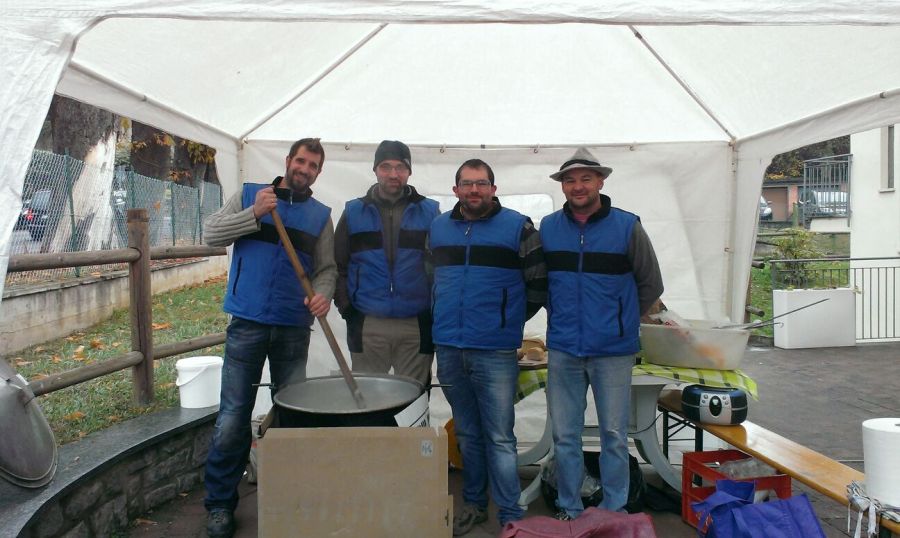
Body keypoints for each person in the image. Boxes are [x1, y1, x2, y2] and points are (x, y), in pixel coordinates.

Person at [201, 138, 336, 538]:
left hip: (293, 326)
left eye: (313, 165)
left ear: (318, 172)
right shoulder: (250, 195)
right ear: (288, 161)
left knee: (292, 414)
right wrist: (253, 214)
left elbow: (327, 269)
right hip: (247, 323)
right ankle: (220, 505)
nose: (305, 169)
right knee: (232, 418)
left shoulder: (320, 216)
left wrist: (323, 294)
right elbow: (211, 234)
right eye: (301, 161)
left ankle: (292, 497)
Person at [540, 147, 663, 520]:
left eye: (585, 178)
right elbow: (541, 282)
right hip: (564, 348)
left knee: (613, 434)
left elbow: (650, 283)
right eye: (570, 180)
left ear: (601, 182)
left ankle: (614, 508)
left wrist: (620, 320)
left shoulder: (627, 226)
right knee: (565, 435)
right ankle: (570, 507)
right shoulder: (548, 227)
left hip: (613, 350)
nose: (578, 186)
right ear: (563, 186)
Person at [430, 159, 547, 535]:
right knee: (467, 433)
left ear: (494, 189)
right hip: (449, 345)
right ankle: (475, 505)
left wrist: (506, 320)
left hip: (494, 350)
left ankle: (511, 516)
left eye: (481, 183)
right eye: (467, 184)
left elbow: (538, 284)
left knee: (499, 436)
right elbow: (431, 279)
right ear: (456, 190)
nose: (474, 190)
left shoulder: (518, 227)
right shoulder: (438, 228)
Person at [333, 140, 440, 386]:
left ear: (409, 171)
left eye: (400, 167)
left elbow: (440, 268)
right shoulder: (353, 212)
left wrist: (431, 312)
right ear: (375, 170)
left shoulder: (430, 212)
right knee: (370, 399)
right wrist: (348, 310)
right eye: (386, 167)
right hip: (367, 322)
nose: (393, 174)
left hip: (415, 325)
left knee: (412, 399)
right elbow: (338, 265)